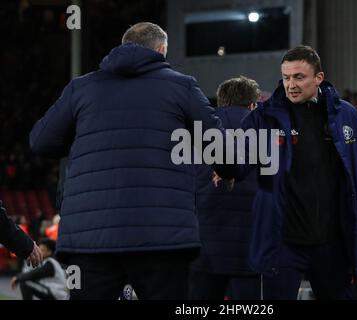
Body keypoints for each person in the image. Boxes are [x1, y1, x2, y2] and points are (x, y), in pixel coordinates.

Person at [29, 22, 232, 300]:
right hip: (162, 237)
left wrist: (82, 138)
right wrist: (230, 171)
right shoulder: (181, 86)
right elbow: (220, 147)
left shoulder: (81, 88)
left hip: (89, 239)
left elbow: (40, 141)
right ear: (162, 50)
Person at [232, 46, 357, 299]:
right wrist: (225, 165)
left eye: (299, 77)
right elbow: (238, 156)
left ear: (319, 78)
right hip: (284, 244)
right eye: (286, 78)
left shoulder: (346, 116)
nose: (291, 85)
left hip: (332, 244)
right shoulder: (266, 117)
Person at [190, 76, 260, 300]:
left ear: (220, 102)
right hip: (251, 245)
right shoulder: (267, 131)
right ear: (252, 104)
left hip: (203, 245)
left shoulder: (194, 132)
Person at [0, 200, 42, 267]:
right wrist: (27, 245)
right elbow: (3, 225)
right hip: (16, 247)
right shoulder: (21, 226)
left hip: (16, 247)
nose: (24, 219)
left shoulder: (22, 226)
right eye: (23, 218)